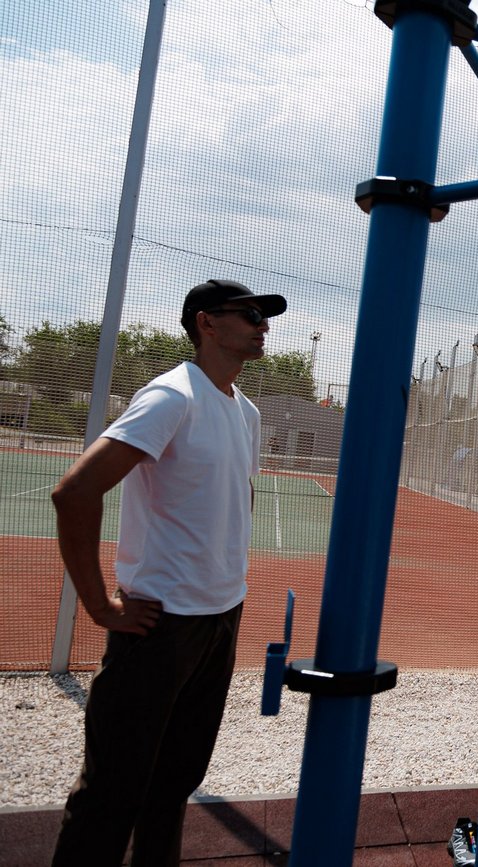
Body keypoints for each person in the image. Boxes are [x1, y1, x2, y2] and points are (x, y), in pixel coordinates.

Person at [50, 279, 286, 866]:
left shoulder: (246, 411)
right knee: (112, 792)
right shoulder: (171, 397)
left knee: (174, 782)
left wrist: (227, 577)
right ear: (206, 323)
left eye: (265, 317)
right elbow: (75, 492)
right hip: (159, 625)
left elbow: (238, 494)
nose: (263, 325)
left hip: (220, 618)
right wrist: (100, 606)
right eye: (250, 314)